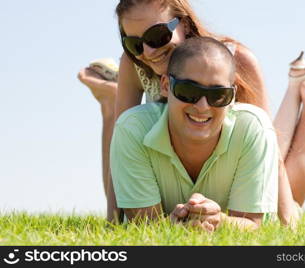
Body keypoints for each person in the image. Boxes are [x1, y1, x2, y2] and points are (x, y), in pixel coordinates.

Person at [77, 0, 305, 223]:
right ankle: (107, 102)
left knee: (287, 192)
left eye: (157, 35)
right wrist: (113, 221)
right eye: (134, 43)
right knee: (122, 132)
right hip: (173, 162)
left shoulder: (233, 59)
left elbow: (268, 145)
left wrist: (287, 217)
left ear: (182, 23)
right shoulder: (135, 64)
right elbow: (120, 148)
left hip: (232, 157)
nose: (148, 51)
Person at [111, 36, 285, 231]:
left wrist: (217, 220)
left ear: (232, 96)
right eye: (189, 90)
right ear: (166, 86)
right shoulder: (132, 129)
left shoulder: (254, 127)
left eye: (218, 95)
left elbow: (253, 225)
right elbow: (142, 227)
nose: (202, 106)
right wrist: (175, 225)